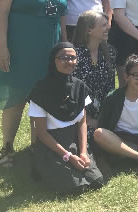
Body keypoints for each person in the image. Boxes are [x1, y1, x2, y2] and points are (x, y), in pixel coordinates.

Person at [0, 0, 67, 167]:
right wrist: (2, 47)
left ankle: (39, 149)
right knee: (16, 98)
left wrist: (65, 46)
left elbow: (62, 14)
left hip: (50, 48)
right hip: (21, 46)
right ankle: (7, 149)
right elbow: (1, 12)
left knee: (43, 100)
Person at [29, 42, 104, 192]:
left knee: (97, 181)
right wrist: (68, 156)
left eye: (72, 58)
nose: (69, 62)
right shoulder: (40, 90)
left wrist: (83, 151)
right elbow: (41, 133)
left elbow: (82, 121)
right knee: (76, 187)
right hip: (52, 145)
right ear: (53, 60)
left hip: (74, 140)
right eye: (64, 58)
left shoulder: (79, 86)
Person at [72, 10, 117, 141]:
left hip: (103, 111)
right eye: (103, 25)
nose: (108, 27)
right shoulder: (74, 56)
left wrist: (106, 115)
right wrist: (89, 119)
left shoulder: (110, 52)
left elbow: (110, 87)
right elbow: (74, 92)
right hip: (80, 113)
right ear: (89, 30)